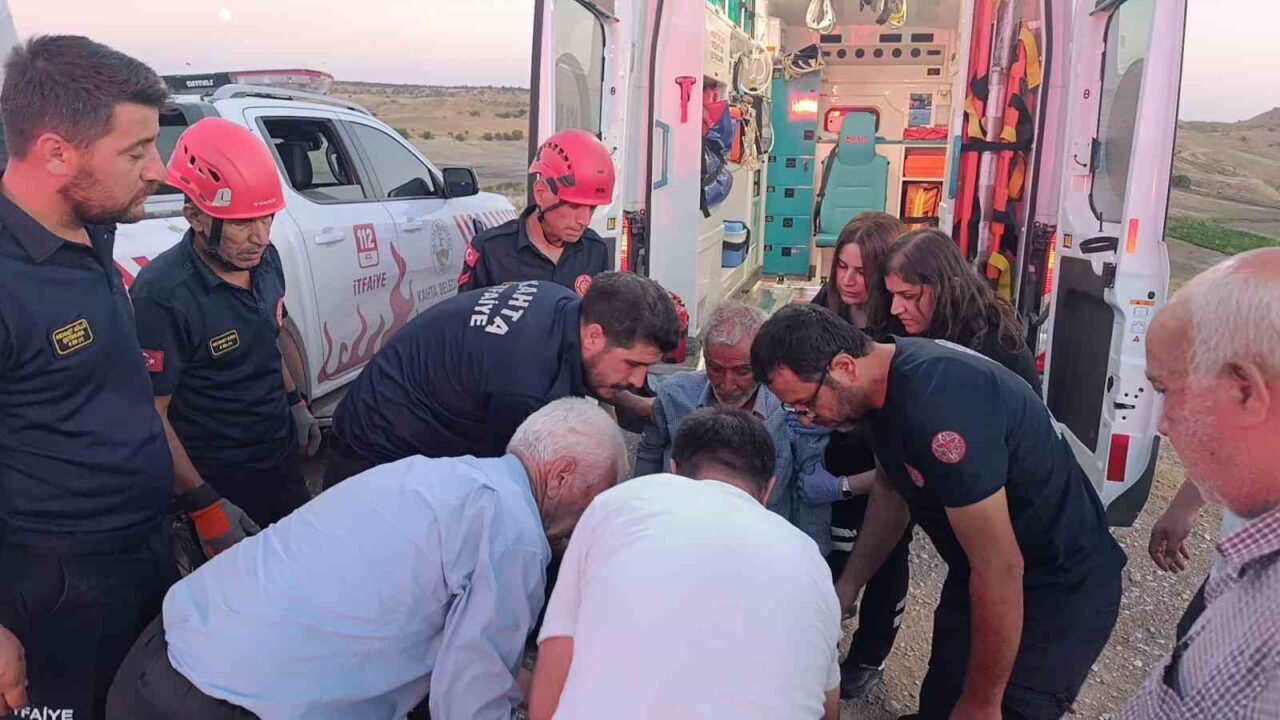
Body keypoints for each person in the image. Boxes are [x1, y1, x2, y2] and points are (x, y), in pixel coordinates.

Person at [0, 36, 253, 720]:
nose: (162, 172)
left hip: (141, 552)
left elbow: (125, 398)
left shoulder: (93, 232)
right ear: (56, 153)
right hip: (53, 590)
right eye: (137, 152)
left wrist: (200, 503)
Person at [106, 398, 628, 720]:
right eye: (595, 496)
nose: (590, 516)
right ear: (559, 475)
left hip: (153, 664)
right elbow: (466, 704)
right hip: (229, 704)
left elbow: (443, 634)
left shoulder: (439, 478)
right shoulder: (514, 533)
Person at [752, 304, 1125, 719]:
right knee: (942, 701)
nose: (807, 418)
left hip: (1056, 583)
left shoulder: (936, 409)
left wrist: (983, 703)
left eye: (805, 404)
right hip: (979, 571)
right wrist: (848, 588)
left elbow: (1001, 567)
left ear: (843, 366)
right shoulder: (876, 389)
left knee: (999, 708)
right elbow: (892, 494)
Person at [529, 407, 842, 720]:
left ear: (674, 469)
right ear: (768, 489)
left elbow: (557, 654)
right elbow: (828, 708)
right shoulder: (809, 558)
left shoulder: (619, 504)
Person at [130, 118, 318, 529]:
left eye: (267, 219)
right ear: (196, 217)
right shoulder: (163, 296)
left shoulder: (266, 262)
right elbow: (151, 412)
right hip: (219, 478)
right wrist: (204, 505)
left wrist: (295, 405)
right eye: (241, 223)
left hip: (278, 459)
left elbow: (269, 336)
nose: (260, 237)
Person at [325, 272, 680, 488]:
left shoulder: (562, 303)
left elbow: (590, 373)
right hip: (374, 462)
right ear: (594, 337)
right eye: (632, 364)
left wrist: (640, 407)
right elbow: (516, 493)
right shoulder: (524, 385)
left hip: (390, 418)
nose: (637, 380)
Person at [1124, 248, 1280, 719]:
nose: (1164, 425)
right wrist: (1188, 502)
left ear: (1245, 392)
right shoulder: (1251, 556)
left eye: (1168, 391)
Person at [808, 211, 911, 699]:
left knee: (886, 557)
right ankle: (817, 643)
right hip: (833, 454)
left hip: (887, 458)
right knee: (830, 549)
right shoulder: (823, 308)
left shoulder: (904, 322)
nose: (848, 281)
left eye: (860, 272)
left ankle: (869, 656)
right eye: (841, 268)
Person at [633, 303, 828, 548]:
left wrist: (815, 559)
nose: (727, 384)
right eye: (715, 368)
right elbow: (649, 456)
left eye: (742, 371)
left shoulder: (790, 406)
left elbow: (810, 493)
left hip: (763, 548)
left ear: (763, 361)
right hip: (679, 541)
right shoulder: (675, 395)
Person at [881, 228, 1041, 393]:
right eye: (892, 295)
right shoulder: (912, 328)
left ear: (947, 289)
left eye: (908, 296)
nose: (895, 309)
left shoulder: (993, 348)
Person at [458, 129, 613, 296]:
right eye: (574, 206)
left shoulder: (595, 251)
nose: (584, 220)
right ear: (541, 193)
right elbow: (464, 318)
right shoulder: (490, 251)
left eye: (592, 208)